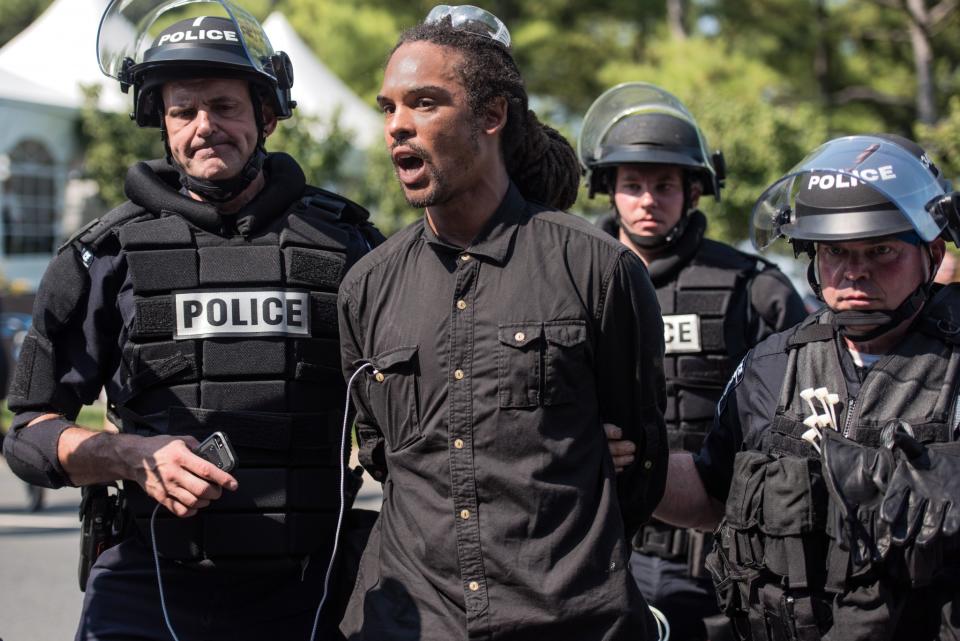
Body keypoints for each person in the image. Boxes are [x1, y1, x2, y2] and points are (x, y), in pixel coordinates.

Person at [1, 1, 381, 639]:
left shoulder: (348, 246)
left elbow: (422, 397)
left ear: (266, 114)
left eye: (225, 106)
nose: (205, 126)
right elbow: (29, 436)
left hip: (317, 585)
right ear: (162, 123)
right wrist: (126, 454)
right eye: (184, 111)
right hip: (152, 584)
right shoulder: (103, 257)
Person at [337, 6, 668, 640]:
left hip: (571, 622)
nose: (398, 127)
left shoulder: (599, 269)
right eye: (389, 108)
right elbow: (383, 456)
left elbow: (640, 463)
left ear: (491, 116)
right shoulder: (367, 287)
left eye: (425, 103)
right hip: (409, 624)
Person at [653, 133, 960, 640]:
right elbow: (711, 494)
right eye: (836, 251)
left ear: (931, 251)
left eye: (881, 249)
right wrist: (623, 456)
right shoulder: (771, 365)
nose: (855, 272)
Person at [579, 82, 807, 641]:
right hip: (597, 553)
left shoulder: (754, 288)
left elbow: (807, 415)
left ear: (695, 191)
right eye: (632, 185)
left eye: (664, 185)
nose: (648, 200)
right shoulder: (568, 279)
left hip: (718, 560)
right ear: (609, 190)